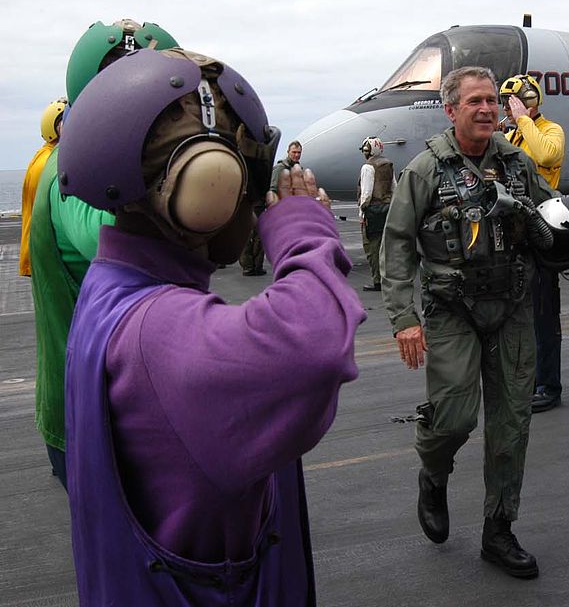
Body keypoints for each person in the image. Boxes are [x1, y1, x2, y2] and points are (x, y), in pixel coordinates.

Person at [57, 46, 365, 603]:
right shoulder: (157, 333)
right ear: (211, 185)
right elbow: (314, 344)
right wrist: (303, 232)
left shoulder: (108, 289)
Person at [381, 66, 569, 579]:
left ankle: (499, 529)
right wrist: (403, 318)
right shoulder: (424, 171)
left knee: (511, 426)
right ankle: (433, 474)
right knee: (455, 418)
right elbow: (397, 244)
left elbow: (551, 213)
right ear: (451, 110)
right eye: (475, 101)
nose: (487, 109)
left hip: (512, 308)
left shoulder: (515, 163)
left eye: (492, 101)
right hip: (452, 311)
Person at [30, 19, 178, 488]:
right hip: (95, 416)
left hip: (124, 405)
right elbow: (112, 244)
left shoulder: (93, 160)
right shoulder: (72, 172)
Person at [500, 74, 567, 412]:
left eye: (513, 101)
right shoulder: (511, 133)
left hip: (543, 226)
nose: (507, 109)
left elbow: (547, 156)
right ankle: (529, 380)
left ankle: (549, 385)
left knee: (543, 315)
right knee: (519, 316)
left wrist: (524, 118)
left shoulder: (550, 130)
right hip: (516, 232)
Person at [19, 97, 66, 276]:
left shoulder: (43, 156)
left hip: (37, 249)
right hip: (43, 250)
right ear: (56, 128)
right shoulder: (48, 163)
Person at [357, 136, 394, 291]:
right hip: (387, 209)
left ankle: (377, 281)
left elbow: (366, 194)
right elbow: (394, 187)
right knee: (385, 246)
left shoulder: (368, 167)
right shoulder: (388, 165)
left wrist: (362, 213)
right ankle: (389, 279)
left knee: (371, 247)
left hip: (373, 211)